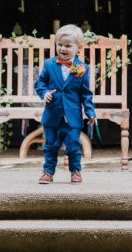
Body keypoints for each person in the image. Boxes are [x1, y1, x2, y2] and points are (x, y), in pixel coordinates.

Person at [34, 24, 96, 184]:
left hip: (72, 116)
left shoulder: (82, 68)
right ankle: (48, 172)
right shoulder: (49, 64)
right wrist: (44, 92)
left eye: (68, 46)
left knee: (73, 146)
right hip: (52, 114)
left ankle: (75, 171)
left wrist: (90, 112)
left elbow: (85, 93)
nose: (63, 48)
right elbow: (40, 82)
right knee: (50, 145)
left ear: (79, 47)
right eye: (60, 45)